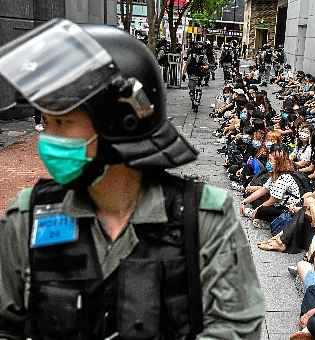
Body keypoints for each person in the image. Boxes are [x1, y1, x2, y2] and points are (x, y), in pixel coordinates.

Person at [0, 19, 264, 339]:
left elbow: (236, 325)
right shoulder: (26, 217)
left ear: (119, 124)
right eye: (45, 122)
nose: (47, 140)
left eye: (62, 122)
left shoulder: (205, 218)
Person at [182, 41, 209, 112]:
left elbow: (207, 66)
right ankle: (193, 102)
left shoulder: (204, 56)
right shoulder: (191, 56)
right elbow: (186, 65)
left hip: (200, 77)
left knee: (199, 91)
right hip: (192, 76)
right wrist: (184, 74)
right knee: (192, 91)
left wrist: (203, 67)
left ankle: (196, 104)